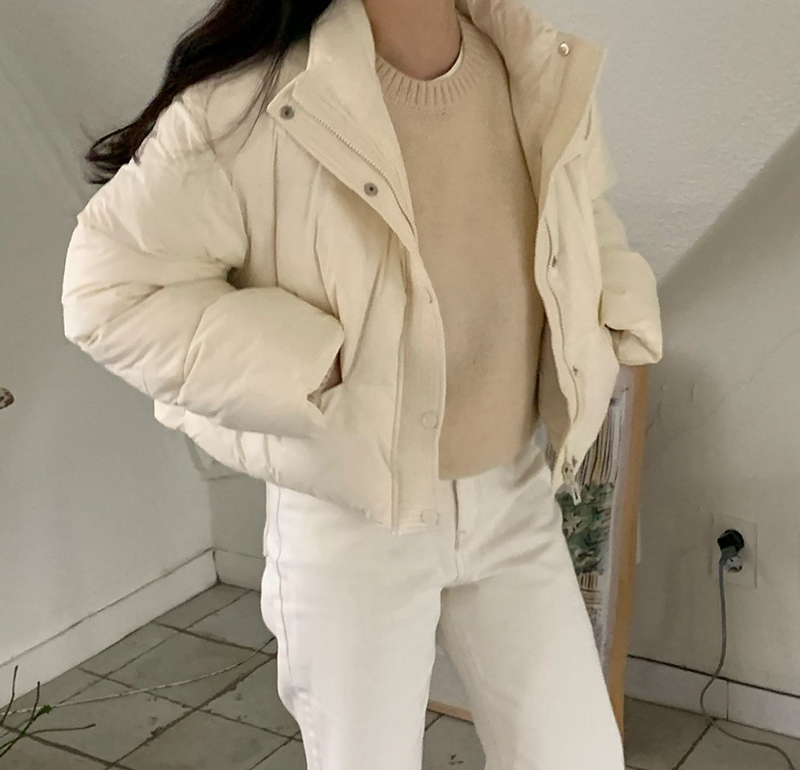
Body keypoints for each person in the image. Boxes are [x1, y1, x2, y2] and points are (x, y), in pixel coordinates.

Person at [61, 0, 663, 766]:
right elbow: (109, 294)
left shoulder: (532, 61)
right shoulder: (252, 103)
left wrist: (618, 311)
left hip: (514, 492)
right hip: (354, 517)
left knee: (579, 755)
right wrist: (314, 363)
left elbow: (580, 208)